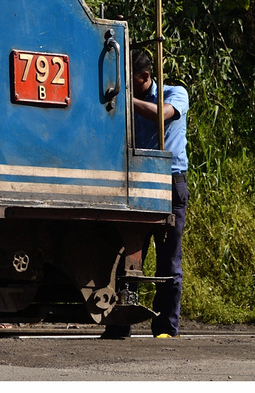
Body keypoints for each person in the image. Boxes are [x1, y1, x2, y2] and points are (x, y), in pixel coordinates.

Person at [107, 49, 189, 339]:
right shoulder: (136, 96)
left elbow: (161, 116)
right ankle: (119, 324)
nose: (129, 88)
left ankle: (166, 327)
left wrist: (126, 101)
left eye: (133, 83)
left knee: (168, 259)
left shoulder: (176, 93)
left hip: (170, 182)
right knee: (127, 254)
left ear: (145, 76)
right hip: (137, 179)